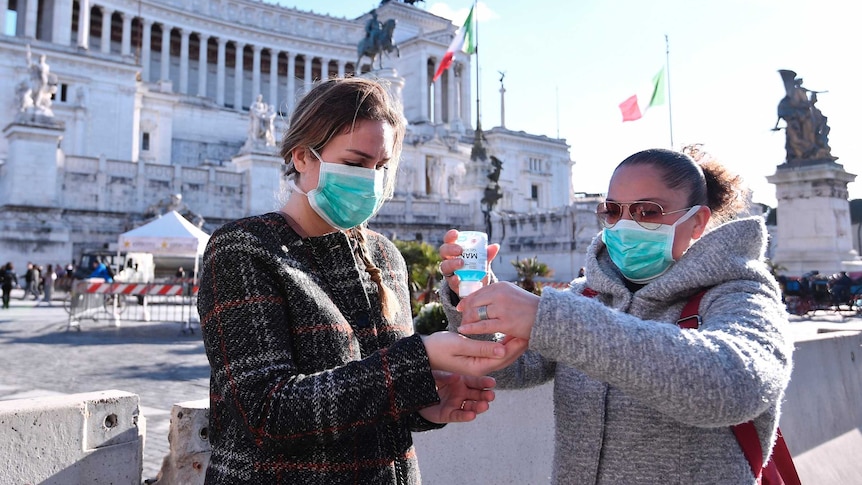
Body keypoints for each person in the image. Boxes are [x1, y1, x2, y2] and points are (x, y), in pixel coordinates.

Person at [197, 77, 521, 484]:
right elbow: (265, 414)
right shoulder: (244, 249)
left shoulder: (385, 256)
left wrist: (424, 406)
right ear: (301, 156)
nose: (370, 180)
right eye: (354, 163)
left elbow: (372, 394)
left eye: (381, 167)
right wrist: (418, 360)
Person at [438, 148, 794, 483]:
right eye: (612, 211)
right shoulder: (588, 294)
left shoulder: (741, 291)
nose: (625, 225)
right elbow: (510, 367)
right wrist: (472, 296)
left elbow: (734, 386)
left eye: (647, 211)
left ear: (697, 222)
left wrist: (550, 318)